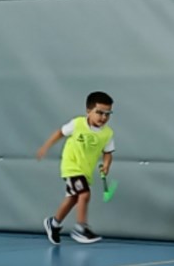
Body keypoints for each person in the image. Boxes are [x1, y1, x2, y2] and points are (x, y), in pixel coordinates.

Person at [36, 91, 115, 244]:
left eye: (108, 114)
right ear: (88, 111)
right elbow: (60, 133)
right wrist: (45, 147)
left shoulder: (107, 133)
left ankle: (54, 223)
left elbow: (108, 153)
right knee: (84, 194)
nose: (104, 117)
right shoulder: (77, 124)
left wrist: (106, 165)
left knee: (73, 198)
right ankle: (80, 228)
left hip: (86, 171)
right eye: (99, 112)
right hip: (71, 166)